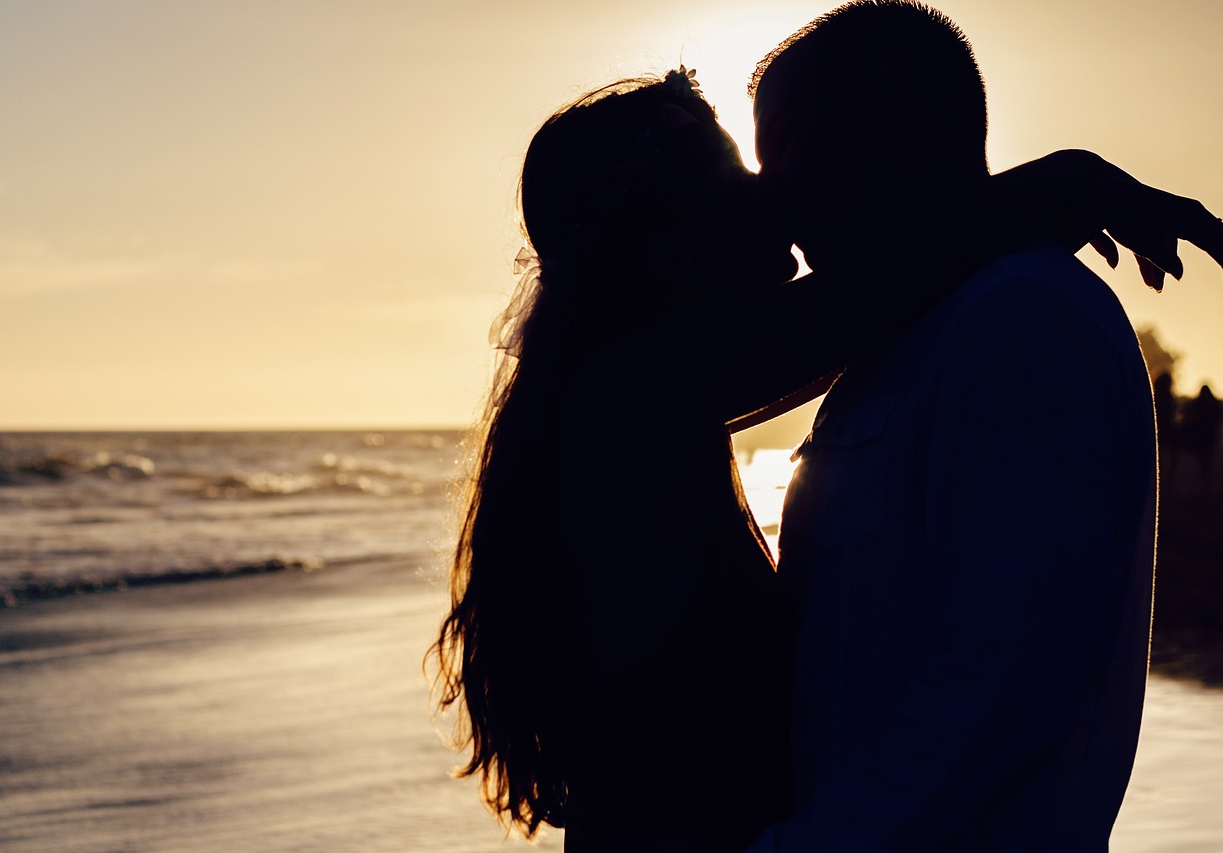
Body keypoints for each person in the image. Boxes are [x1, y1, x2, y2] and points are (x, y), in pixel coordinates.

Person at [429, 68, 1222, 851]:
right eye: (736, 176)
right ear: (671, 252)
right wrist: (1066, 177)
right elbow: (873, 292)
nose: (770, 192)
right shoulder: (631, 392)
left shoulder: (630, 392)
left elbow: (867, 307)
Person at [745, 2, 1223, 849]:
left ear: (892, 115)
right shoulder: (904, 335)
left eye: (785, 141)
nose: (770, 191)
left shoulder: (1017, 322)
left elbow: (1000, 687)